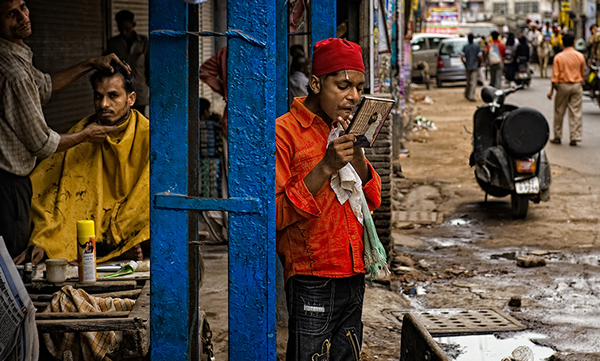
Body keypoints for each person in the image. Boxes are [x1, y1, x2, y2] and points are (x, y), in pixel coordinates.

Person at [276, 38, 382, 360]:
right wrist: (326, 166)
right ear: (316, 83)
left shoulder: (344, 128)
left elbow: (370, 201)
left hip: (353, 272)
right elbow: (275, 214)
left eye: (360, 88)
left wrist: (358, 152)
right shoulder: (286, 132)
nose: (354, 97)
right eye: (344, 86)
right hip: (311, 278)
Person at [0, 0, 130, 263]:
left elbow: (44, 87)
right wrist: (85, 136)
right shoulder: (14, 74)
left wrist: (90, 63)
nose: (22, 17)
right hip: (7, 184)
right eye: (10, 14)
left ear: (132, 98)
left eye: (23, 7)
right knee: (10, 266)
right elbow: (42, 144)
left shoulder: (147, 136)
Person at [16, 61, 149, 266]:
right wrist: (42, 240)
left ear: (131, 99)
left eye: (113, 95)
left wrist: (123, 233)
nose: (104, 104)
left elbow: (145, 196)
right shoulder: (82, 132)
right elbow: (51, 191)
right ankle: (115, 249)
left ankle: (119, 246)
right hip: (89, 226)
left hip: (129, 224)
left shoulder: (148, 135)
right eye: (98, 96)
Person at [105, 10, 149, 115]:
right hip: (119, 89)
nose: (124, 32)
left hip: (140, 89)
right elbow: (107, 66)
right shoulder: (113, 43)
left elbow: (149, 65)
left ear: (133, 25)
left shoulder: (143, 42)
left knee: (139, 117)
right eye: (121, 29)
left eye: (127, 29)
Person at [547, 34, 585, 146]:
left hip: (563, 85)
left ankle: (557, 136)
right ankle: (575, 136)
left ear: (562, 43)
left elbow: (555, 77)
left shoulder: (559, 57)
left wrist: (551, 91)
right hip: (577, 85)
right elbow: (582, 73)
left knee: (559, 111)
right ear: (574, 42)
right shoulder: (580, 56)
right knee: (576, 112)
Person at [200, 46, 228, 135]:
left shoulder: (226, 51)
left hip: (232, 119)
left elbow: (204, 72)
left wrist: (225, 92)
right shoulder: (269, 47)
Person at [461, 33, 483, 102]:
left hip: (468, 66)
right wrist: (479, 64)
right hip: (474, 66)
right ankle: (471, 96)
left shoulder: (465, 47)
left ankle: (467, 94)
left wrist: (465, 63)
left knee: (468, 81)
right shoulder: (476, 47)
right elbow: (479, 56)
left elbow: (462, 57)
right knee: (473, 82)